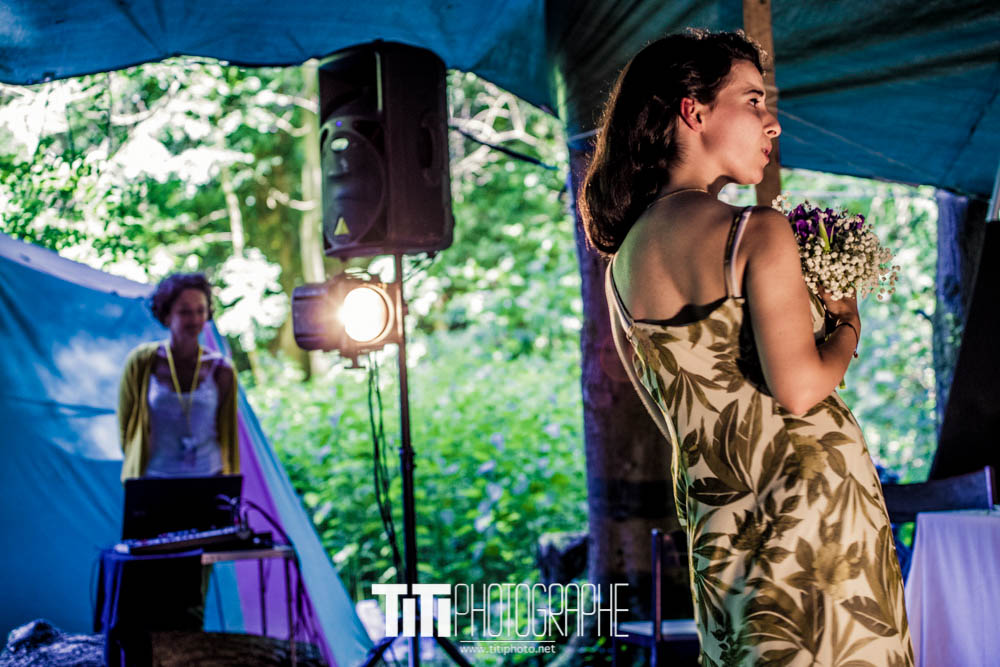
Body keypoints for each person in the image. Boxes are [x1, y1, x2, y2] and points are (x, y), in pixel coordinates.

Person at [579, 30, 913, 665]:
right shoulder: (756, 230)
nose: (772, 123)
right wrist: (845, 323)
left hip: (723, 539)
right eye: (753, 100)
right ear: (693, 110)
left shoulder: (619, 269)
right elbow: (800, 389)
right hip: (815, 525)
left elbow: (677, 425)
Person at [118, 272, 239, 481]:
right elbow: (126, 425)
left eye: (200, 311)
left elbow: (229, 435)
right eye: (185, 312)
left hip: (209, 478)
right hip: (154, 480)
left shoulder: (221, 370)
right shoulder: (141, 363)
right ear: (167, 316)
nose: (194, 319)